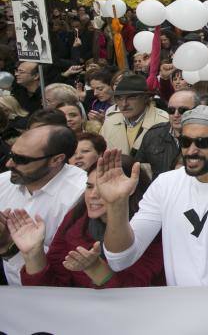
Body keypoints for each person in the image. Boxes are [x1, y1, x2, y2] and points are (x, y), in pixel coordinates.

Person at [99, 106, 208, 286]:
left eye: (203, 142)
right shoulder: (165, 184)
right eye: (185, 142)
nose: (191, 151)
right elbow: (120, 260)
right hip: (182, 308)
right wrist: (116, 205)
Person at [9, 162, 165, 288]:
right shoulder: (76, 220)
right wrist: (33, 254)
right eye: (89, 186)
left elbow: (134, 297)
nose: (93, 195)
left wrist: (96, 269)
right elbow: (50, 291)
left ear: (130, 191)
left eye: (105, 187)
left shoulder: (148, 226)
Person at [0, 125, 86, 285]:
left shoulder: (82, 195)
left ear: (56, 160)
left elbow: (70, 265)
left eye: (22, 159)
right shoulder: (3, 182)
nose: (9, 163)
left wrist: (8, 245)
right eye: (11, 154)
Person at [100, 74, 168, 163]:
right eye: (119, 98)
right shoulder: (110, 121)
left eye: (131, 98)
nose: (124, 104)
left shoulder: (163, 121)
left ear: (145, 98)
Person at [136, 90, 199, 179]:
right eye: (171, 110)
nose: (176, 114)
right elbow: (140, 171)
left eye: (183, 110)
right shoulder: (153, 134)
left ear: (198, 110)